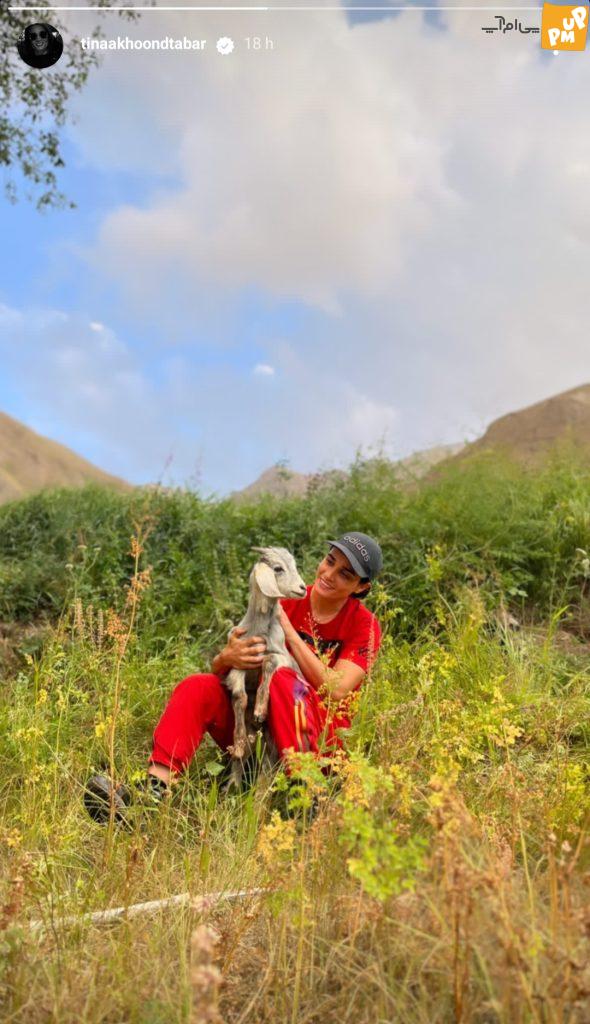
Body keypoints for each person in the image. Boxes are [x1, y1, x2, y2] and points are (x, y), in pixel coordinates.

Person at [84, 532, 383, 822]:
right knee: (197, 687)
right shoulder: (285, 596)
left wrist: (288, 633)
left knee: (280, 677)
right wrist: (226, 658)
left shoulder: (364, 626)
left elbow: (338, 688)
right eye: (329, 561)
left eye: (345, 574)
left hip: (317, 742)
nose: (329, 574)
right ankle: (150, 798)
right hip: (259, 726)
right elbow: (232, 669)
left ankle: (304, 798)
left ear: (361, 587)